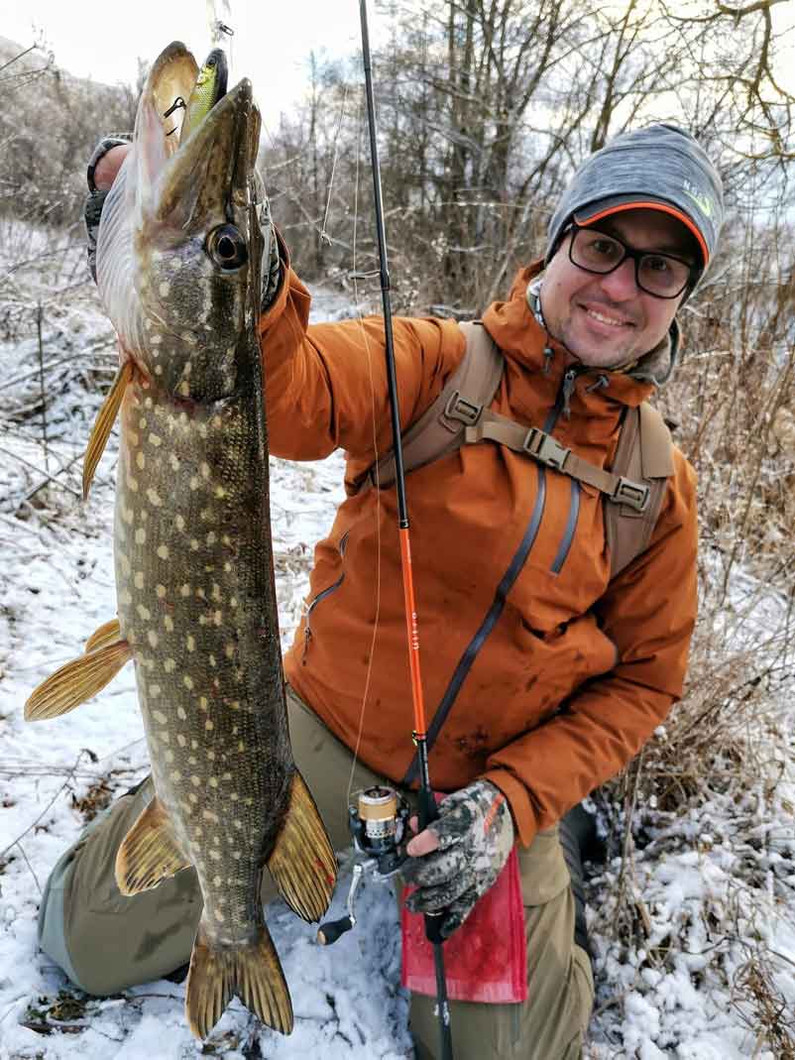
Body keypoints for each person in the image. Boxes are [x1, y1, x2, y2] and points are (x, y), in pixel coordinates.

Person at [38, 122, 724, 1059]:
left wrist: (514, 803)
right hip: (328, 724)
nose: (619, 287)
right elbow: (285, 393)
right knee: (88, 947)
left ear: (680, 298)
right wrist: (250, 275)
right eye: (603, 246)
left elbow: (643, 685)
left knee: (496, 1056)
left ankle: (547, 852)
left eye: (659, 270)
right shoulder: (439, 363)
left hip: (487, 787)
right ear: (559, 244)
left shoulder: (658, 487)